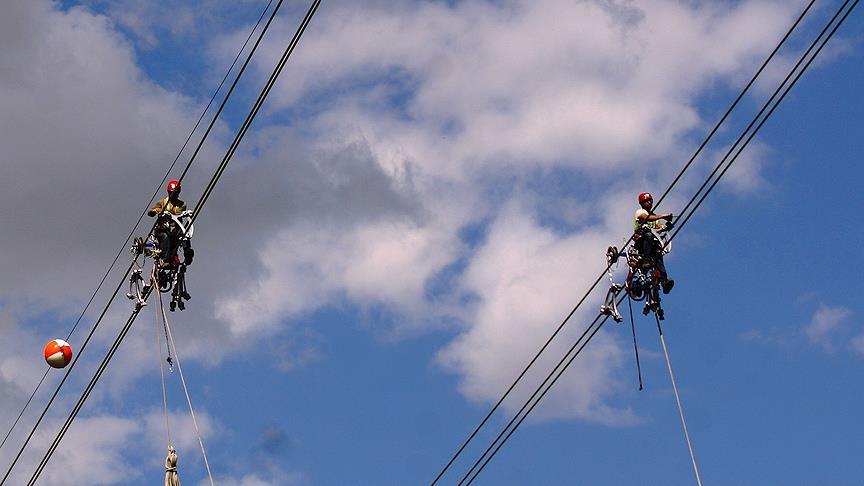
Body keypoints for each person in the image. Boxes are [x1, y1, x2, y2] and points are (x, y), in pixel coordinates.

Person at [633, 192, 674, 294]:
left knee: (658, 256)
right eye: (646, 201)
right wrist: (662, 216)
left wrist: (667, 225)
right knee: (648, 234)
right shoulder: (640, 212)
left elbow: (659, 227)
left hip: (652, 245)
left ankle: (664, 281)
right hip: (641, 243)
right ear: (642, 203)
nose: (649, 202)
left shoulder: (654, 216)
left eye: (650, 200)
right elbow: (645, 218)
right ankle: (646, 259)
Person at [148, 180, 193, 266]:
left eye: (175, 194)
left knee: (184, 235)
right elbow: (153, 211)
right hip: (162, 230)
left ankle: (187, 253)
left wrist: (187, 213)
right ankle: (166, 260)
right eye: (172, 193)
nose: (174, 196)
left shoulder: (181, 204)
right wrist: (154, 212)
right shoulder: (162, 203)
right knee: (165, 237)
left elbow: (179, 213)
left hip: (175, 230)